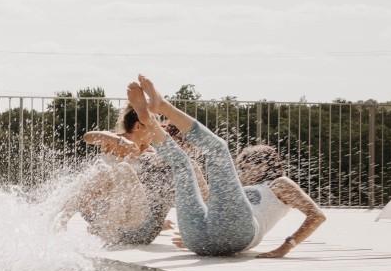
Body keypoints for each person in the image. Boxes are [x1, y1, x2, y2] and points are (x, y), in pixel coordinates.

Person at [130, 75, 325, 258]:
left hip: (242, 233)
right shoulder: (236, 191)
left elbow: (317, 216)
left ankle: (162, 107)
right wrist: (198, 235)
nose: (239, 169)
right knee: (182, 165)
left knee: (217, 149)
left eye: (246, 164)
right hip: (200, 239)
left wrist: (286, 246)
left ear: (264, 166)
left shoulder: (279, 184)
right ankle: (150, 123)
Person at [59, 105, 175, 246]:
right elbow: (88, 137)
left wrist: (156, 221)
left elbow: (146, 190)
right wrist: (120, 142)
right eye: (152, 128)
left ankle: (105, 231)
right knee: (100, 173)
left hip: (126, 213)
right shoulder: (113, 141)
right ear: (138, 126)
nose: (155, 133)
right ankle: (61, 220)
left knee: (121, 169)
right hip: (98, 207)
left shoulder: (148, 151)